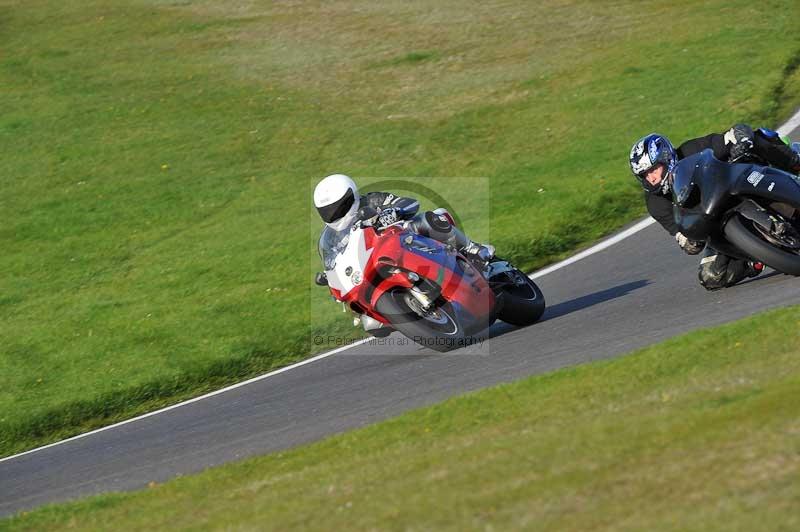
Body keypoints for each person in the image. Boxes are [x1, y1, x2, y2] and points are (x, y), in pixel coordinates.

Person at [629, 124, 800, 290]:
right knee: (711, 275)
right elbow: (680, 233)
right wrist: (689, 241)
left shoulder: (691, 150)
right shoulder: (655, 204)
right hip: (715, 223)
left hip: (740, 182)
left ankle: (794, 162)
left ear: (666, 157)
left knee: (758, 138)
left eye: (653, 169)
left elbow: (734, 133)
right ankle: (758, 258)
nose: (651, 178)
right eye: (644, 175)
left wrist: (740, 141)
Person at [313, 174, 495, 275]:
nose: (334, 214)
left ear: (351, 196)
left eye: (338, 208)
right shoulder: (332, 238)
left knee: (428, 219)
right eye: (328, 211)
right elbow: (332, 260)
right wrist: (329, 275)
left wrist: (393, 212)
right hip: (377, 263)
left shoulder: (372, 200)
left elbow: (410, 203)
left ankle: (472, 248)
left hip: (406, 243)